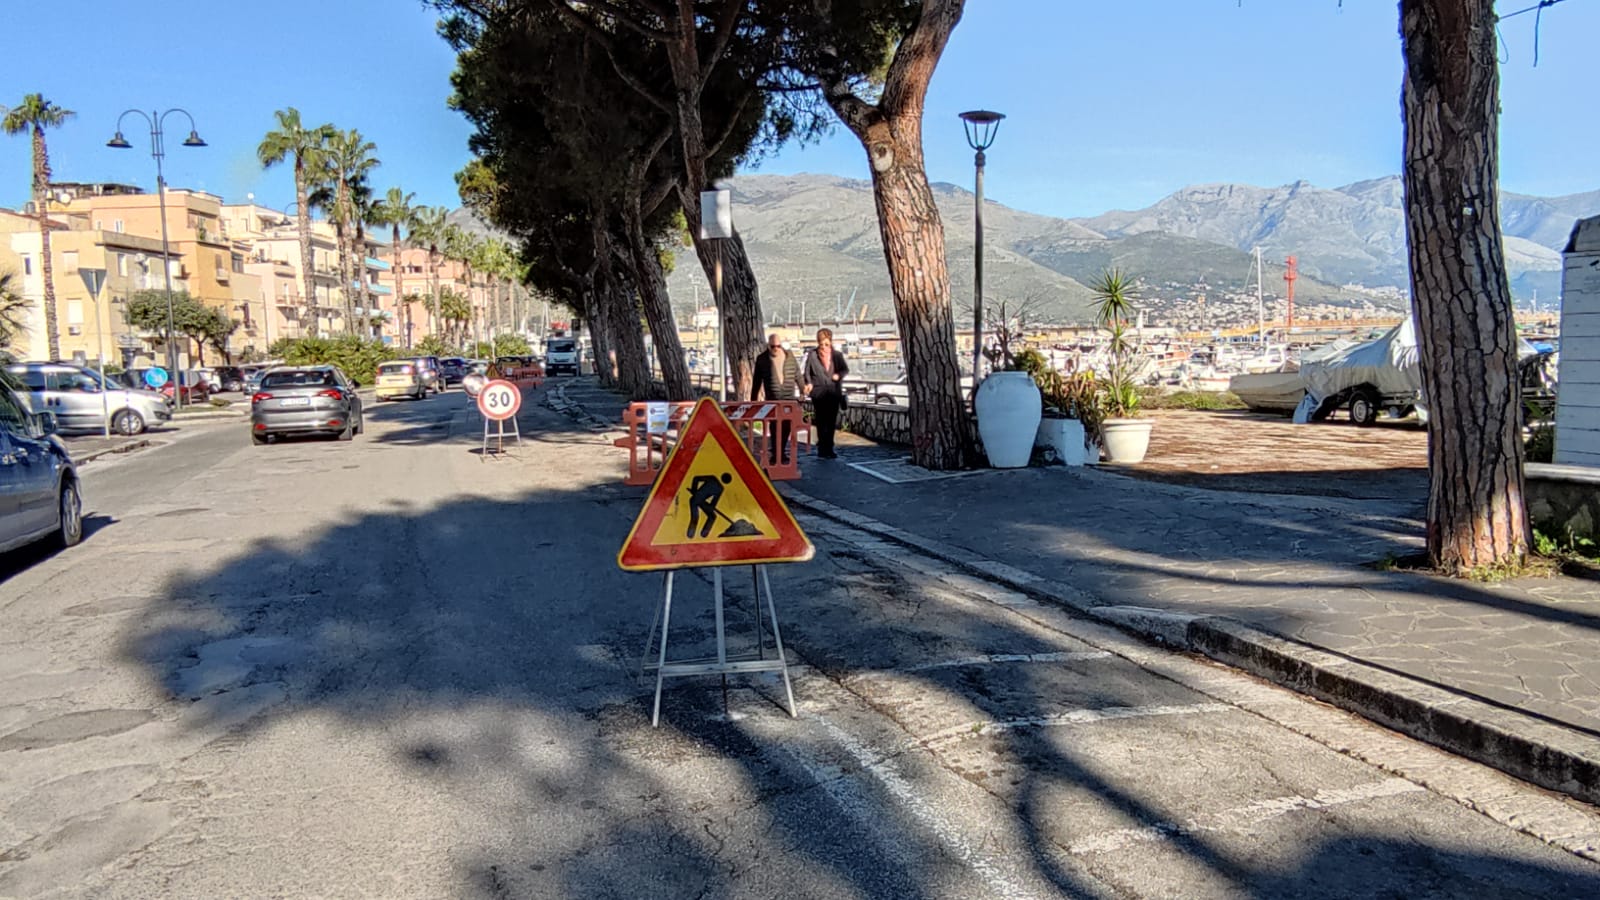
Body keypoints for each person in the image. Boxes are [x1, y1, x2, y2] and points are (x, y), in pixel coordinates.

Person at [752, 333, 802, 464]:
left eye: (778, 346)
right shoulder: (762, 359)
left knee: (786, 427)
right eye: (773, 346)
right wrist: (753, 400)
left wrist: (803, 390)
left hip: (788, 399)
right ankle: (776, 453)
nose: (776, 349)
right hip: (773, 399)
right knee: (774, 427)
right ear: (768, 346)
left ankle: (781, 451)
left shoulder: (790, 357)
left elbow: (798, 375)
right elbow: (756, 381)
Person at [803, 327, 849, 459]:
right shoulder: (812, 355)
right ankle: (822, 449)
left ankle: (830, 447)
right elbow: (807, 372)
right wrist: (809, 383)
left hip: (834, 393)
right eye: (821, 344)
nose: (823, 347)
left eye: (826, 344)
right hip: (818, 393)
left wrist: (838, 376)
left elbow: (845, 370)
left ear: (831, 342)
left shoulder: (837, 356)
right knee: (821, 421)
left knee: (831, 421)